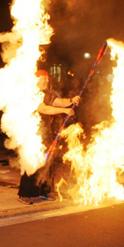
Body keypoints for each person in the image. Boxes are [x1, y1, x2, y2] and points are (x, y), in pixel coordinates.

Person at [18, 70, 80, 205]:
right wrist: (64, 111)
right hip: (32, 134)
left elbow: (60, 102)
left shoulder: (47, 94)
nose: (47, 80)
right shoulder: (30, 94)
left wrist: (71, 100)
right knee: (32, 163)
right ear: (37, 80)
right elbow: (44, 109)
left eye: (47, 78)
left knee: (48, 163)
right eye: (44, 78)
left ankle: (44, 191)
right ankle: (25, 193)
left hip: (46, 133)